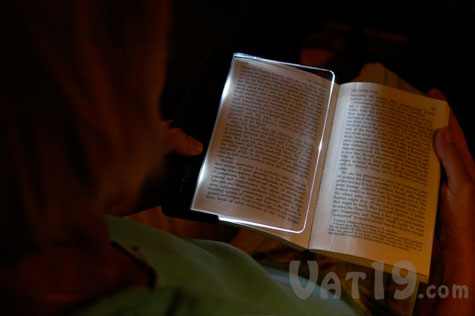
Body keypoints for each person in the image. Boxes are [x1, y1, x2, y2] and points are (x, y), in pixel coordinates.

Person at [0, 1, 473, 315]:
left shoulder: (37, 240)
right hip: (345, 298)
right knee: (385, 93)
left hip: (260, 267)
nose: (162, 61)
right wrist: (460, 249)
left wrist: (93, 196)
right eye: (156, 48)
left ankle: (335, 59)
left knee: (360, 98)